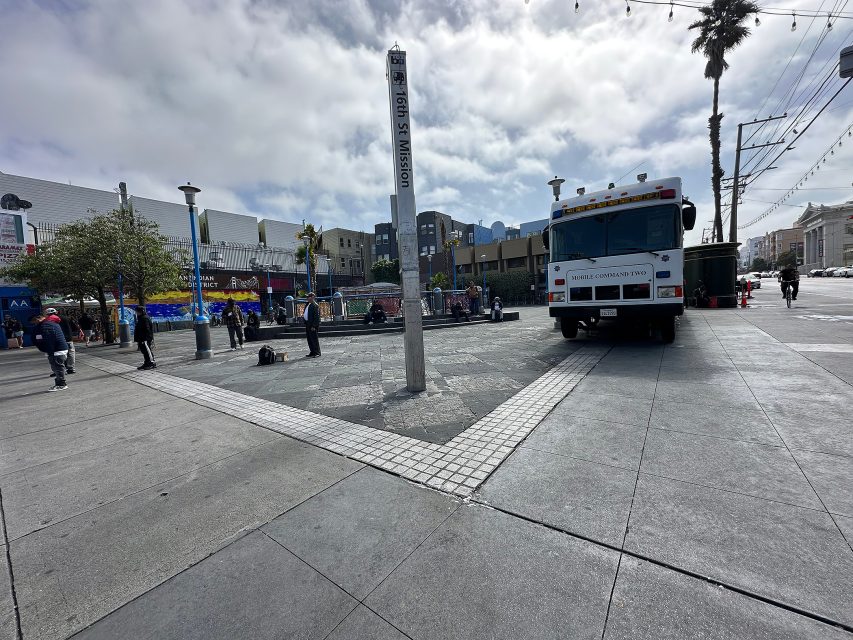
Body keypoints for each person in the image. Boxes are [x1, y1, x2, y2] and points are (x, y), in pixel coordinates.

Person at [30, 312, 70, 391]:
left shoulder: (46, 326)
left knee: (57, 367)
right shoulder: (51, 323)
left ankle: (61, 384)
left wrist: (49, 351)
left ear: (37, 319)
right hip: (59, 349)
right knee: (57, 367)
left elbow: (49, 339)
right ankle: (60, 383)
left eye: (34, 322)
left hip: (56, 350)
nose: (34, 324)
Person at [44, 308, 76, 374]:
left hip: (57, 339)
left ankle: (59, 369)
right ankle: (71, 368)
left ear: (47, 314)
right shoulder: (66, 318)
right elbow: (74, 327)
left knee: (57, 354)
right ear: (56, 312)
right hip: (68, 338)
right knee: (70, 353)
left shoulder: (48, 320)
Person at [303, 292, 321, 358]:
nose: (307, 298)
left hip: (312, 325)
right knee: (309, 339)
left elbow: (317, 317)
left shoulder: (315, 305)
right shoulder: (308, 304)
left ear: (312, 297)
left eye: (308, 297)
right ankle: (312, 351)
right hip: (308, 323)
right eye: (307, 297)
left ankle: (317, 352)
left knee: (314, 339)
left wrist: (314, 326)